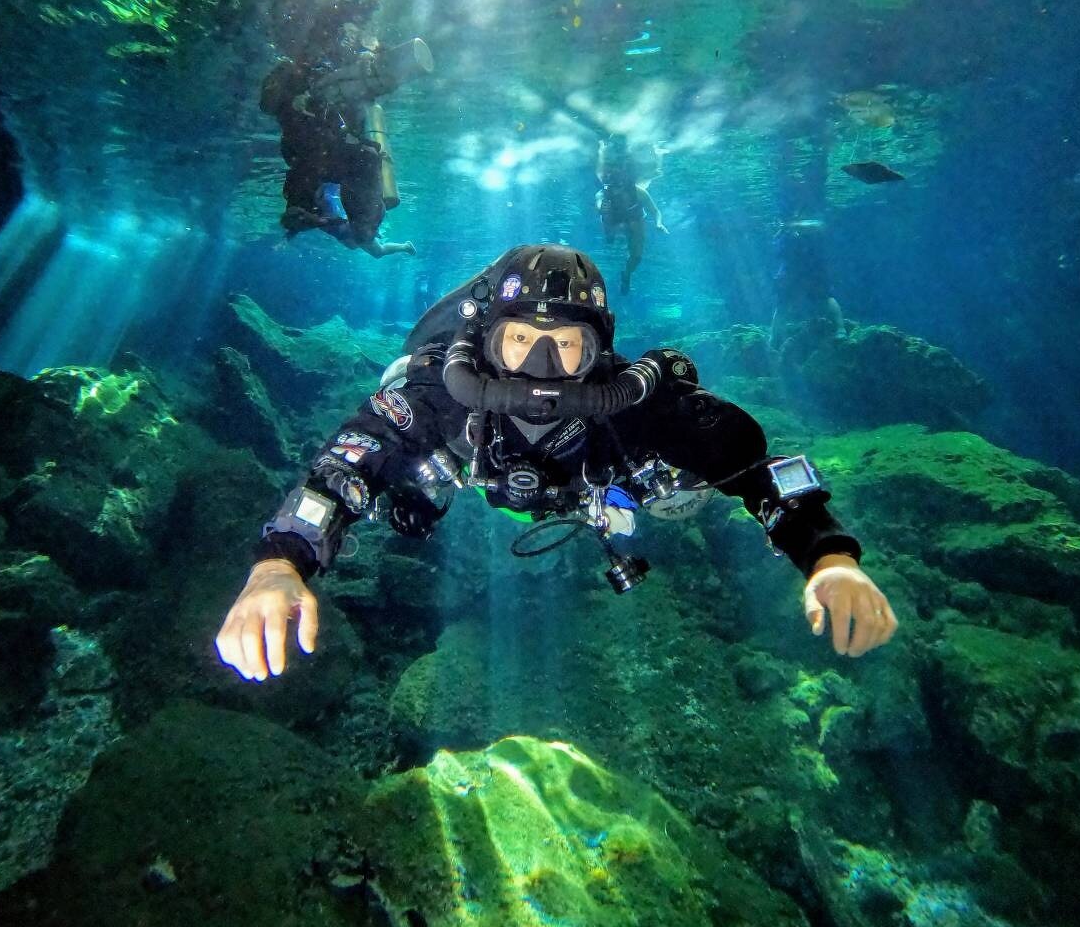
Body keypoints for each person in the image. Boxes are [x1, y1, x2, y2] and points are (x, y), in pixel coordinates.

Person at [216, 244, 897, 681]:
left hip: (593, 488)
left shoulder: (631, 404)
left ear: (599, 353)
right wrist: (279, 565)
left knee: (675, 489)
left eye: (566, 346)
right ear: (484, 344)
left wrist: (829, 556)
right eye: (520, 341)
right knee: (406, 490)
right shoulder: (438, 395)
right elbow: (341, 470)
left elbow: (755, 467)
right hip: (469, 471)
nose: (541, 369)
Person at [259, 35, 432, 258]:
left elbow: (306, 174)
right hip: (339, 161)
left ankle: (392, 240)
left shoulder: (314, 105)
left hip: (340, 159)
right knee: (363, 237)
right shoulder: (309, 117)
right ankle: (388, 239)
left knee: (364, 237)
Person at [595, 134, 668, 294]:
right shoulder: (605, 194)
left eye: (621, 181)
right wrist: (602, 209)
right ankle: (610, 236)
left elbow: (655, 211)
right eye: (615, 181)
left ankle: (626, 274)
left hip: (635, 219)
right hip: (614, 219)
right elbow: (599, 205)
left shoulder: (638, 192)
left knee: (637, 256)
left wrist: (659, 223)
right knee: (606, 218)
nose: (618, 186)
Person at [769, 217, 846, 363]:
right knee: (783, 304)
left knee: (824, 298)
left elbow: (819, 226)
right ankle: (773, 338)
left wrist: (791, 226)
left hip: (811, 267)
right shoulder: (783, 231)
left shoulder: (800, 225)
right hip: (791, 269)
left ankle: (840, 329)